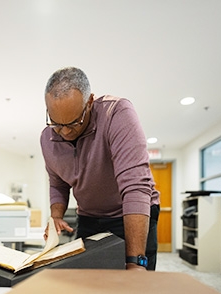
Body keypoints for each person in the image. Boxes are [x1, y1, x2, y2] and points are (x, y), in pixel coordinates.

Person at [40, 67, 160, 271]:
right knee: (88, 282)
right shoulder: (47, 138)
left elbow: (135, 186)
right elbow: (58, 183)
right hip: (89, 217)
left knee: (132, 285)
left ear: (90, 102)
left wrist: (135, 262)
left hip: (130, 213)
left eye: (73, 123)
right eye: (57, 124)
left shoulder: (117, 113)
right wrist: (56, 215)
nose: (66, 132)